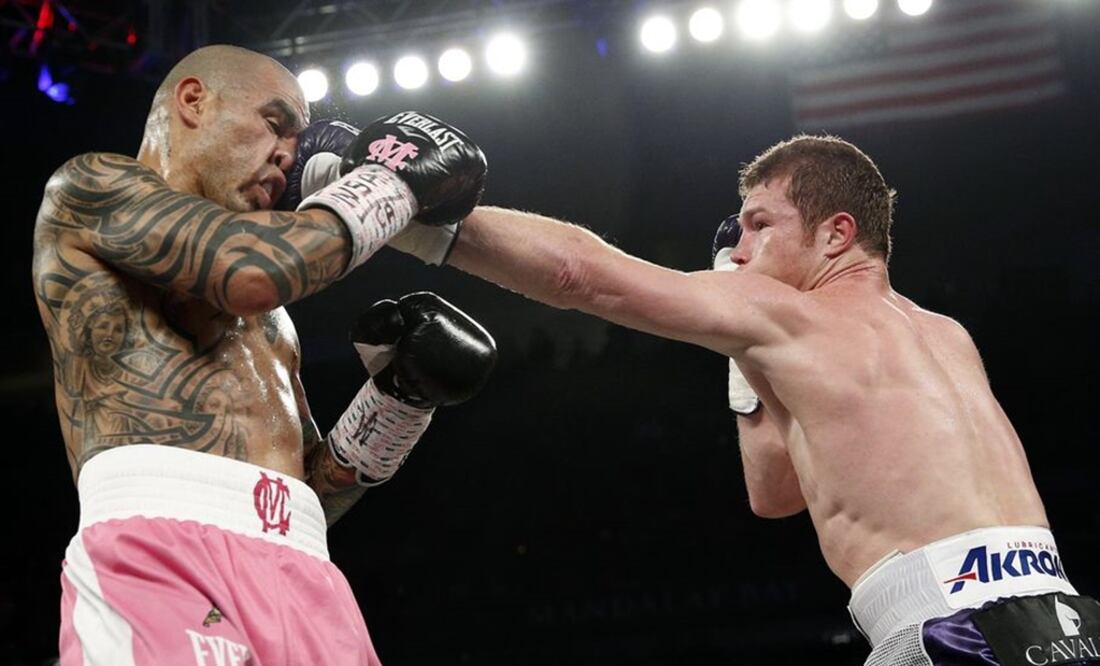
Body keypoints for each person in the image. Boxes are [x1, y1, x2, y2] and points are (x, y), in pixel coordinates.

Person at [386, 134, 1099, 665]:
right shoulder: (946, 335)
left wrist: (396, 214)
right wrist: (741, 353)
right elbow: (775, 493)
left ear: (836, 233)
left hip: (953, 624)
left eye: (759, 223)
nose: (739, 247)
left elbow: (582, 273)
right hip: (1064, 624)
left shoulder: (788, 314)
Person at [32, 44, 496, 665]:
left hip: (303, 568)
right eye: (275, 123)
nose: (289, 155)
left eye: (298, 138)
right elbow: (252, 268)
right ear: (194, 101)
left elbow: (306, 493)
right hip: (162, 554)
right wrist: (391, 179)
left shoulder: (270, 318)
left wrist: (395, 407)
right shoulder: (91, 187)